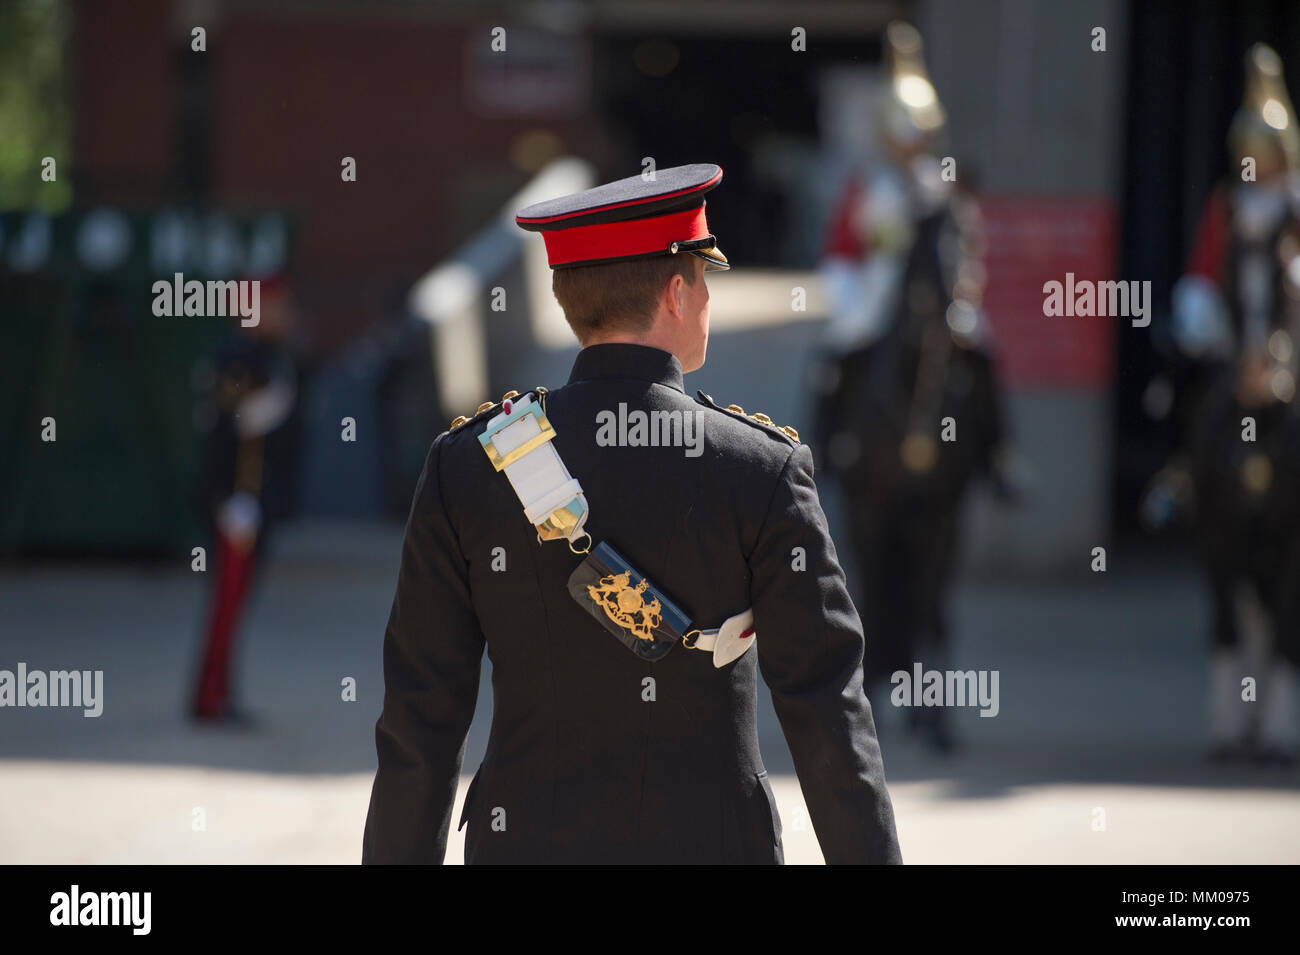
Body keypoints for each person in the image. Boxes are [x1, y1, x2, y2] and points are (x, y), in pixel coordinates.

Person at [362, 163, 901, 864]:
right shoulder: (762, 467)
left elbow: (419, 723)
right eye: (704, 279)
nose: (708, 298)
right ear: (677, 293)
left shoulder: (467, 465)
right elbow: (828, 712)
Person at [814, 21, 1019, 753]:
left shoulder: (947, 187)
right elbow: (842, 255)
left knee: (984, 349)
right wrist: (869, 272)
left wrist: (958, 285)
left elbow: (969, 255)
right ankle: (824, 445)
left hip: (936, 309)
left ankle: (999, 456)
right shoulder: (865, 188)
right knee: (836, 348)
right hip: (873, 297)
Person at [1155, 44, 1300, 765]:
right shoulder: (1227, 207)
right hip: (1233, 358)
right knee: (1187, 390)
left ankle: (1277, 716)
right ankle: (1179, 470)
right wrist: (1206, 327)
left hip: (1288, 361)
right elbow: (1201, 280)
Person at [190, 274, 300, 723]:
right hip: (237, 502)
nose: (281, 314)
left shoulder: (268, 356)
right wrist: (229, 499)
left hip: (253, 500)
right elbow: (225, 435)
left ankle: (219, 694)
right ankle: (208, 699)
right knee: (226, 606)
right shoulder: (237, 357)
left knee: (235, 606)